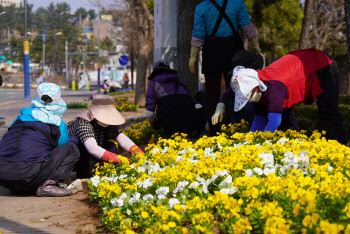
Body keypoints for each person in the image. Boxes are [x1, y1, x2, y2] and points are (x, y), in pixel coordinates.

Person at [229, 48, 348, 144]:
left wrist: (260, 144)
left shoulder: (273, 89)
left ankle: (339, 145)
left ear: (255, 87)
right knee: (284, 122)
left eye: (247, 95)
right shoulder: (257, 90)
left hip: (321, 64)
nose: (248, 99)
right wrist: (247, 143)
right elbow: (259, 120)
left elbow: (274, 121)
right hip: (296, 71)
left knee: (327, 110)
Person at [188, 0, 261, 136]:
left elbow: (198, 32)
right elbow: (246, 25)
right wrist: (255, 45)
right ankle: (235, 127)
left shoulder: (202, 7)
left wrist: (193, 57)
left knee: (211, 94)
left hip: (212, 50)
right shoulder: (237, 3)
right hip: (234, 49)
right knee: (236, 90)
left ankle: (213, 130)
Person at [0, 83, 80, 196]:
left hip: (4, 176)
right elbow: (62, 148)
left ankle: (18, 185)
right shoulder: (57, 123)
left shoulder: (21, 117)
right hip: (28, 176)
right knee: (71, 148)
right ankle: (48, 185)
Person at [212, 50, 299, 132]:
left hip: (277, 111)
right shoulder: (241, 82)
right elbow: (228, 93)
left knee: (283, 118)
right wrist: (220, 107)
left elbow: (275, 120)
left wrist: (262, 140)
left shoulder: (272, 86)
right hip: (262, 111)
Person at [68, 94, 144, 178]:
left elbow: (124, 141)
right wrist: (120, 159)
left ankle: (106, 171)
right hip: (78, 156)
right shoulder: (84, 123)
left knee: (112, 146)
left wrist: (140, 155)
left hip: (95, 151)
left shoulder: (110, 124)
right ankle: (86, 174)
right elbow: (92, 148)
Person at [146, 59, 206, 137]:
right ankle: (202, 129)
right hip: (190, 125)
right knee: (201, 95)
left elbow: (150, 114)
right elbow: (193, 102)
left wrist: (155, 127)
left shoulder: (153, 84)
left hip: (170, 127)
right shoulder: (179, 81)